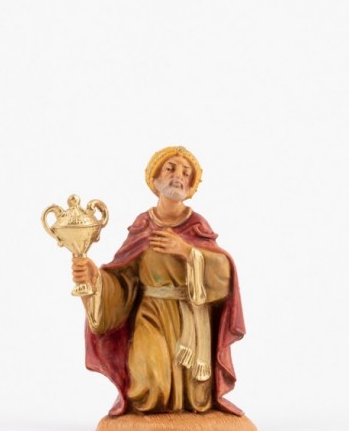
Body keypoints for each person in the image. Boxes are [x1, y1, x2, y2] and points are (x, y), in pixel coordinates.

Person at [72, 146, 246, 416]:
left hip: (190, 317)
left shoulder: (196, 226)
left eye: (186, 173)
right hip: (151, 314)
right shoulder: (143, 225)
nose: (178, 176)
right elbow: (123, 276)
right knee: (149, 384)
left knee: (196, 396)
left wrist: (187, 251)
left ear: (191, 186)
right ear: (154, 179)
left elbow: (224, 271)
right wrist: (95, 277)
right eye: (170, 169)